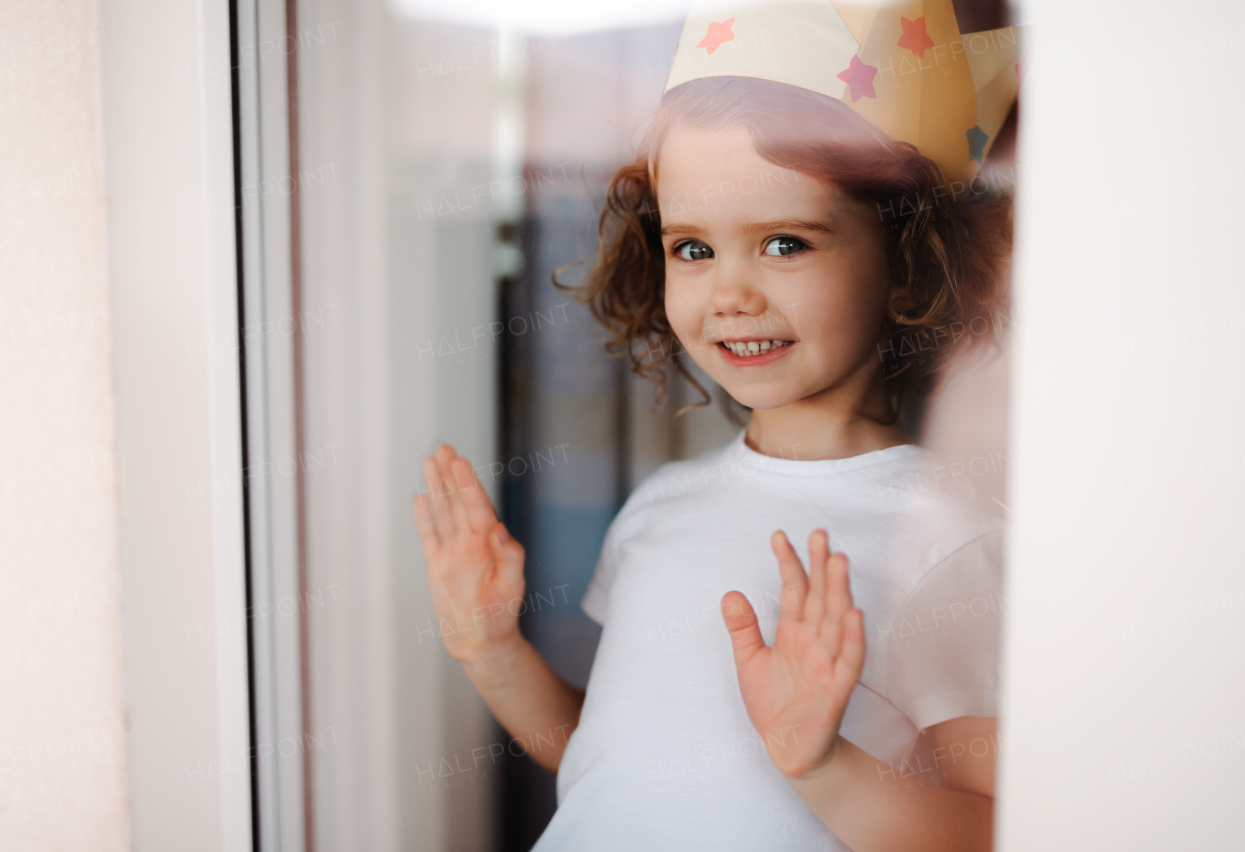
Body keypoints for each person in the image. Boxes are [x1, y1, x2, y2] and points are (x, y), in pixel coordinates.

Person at [413, 3, 1019, 849]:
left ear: (906, 259)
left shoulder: (949, 537)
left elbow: (1000, 830)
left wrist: (822, 766)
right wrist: (489, 650)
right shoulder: (660, 506)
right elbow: (602, 758)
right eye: (693, 249)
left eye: (784, 243)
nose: (730, 293)